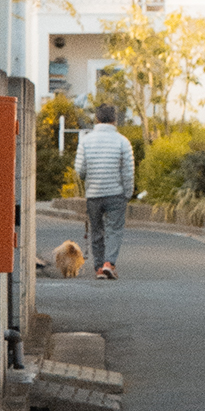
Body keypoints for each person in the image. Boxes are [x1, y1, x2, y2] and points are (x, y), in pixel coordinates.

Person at [76, 102, 135, 280]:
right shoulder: (123, 141)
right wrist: (128, 192)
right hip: (116, 193)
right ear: (115, 120)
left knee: (96, 230)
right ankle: (109, 263)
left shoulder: (86, 141)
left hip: (93, 194)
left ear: (96, 118)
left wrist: (90, 179)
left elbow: (80, 169)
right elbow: (128, 171)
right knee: (114, 230)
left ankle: (99, 268)